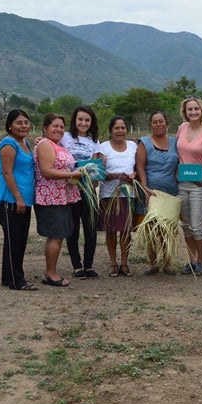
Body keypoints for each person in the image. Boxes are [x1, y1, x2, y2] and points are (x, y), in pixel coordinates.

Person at [34, 113, 83, 287]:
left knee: (58, 235)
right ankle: (51, 274)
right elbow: (46, 171)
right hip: (51, 198)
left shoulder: (56, 145)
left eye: (62, 127)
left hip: (61, 197)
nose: (59, 129)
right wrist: (72, 174)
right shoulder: (46, 145)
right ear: (45, 128)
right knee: (55, 236)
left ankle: (51, 271)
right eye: (55, 126)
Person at [0, 110, 37, 291]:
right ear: (10, 125)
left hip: (24, 200)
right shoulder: (9, 144)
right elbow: (7, 172)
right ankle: (16, 280)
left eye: (26, 122)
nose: (23, 126)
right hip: (10, 199)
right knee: (14, 240)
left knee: (19, 239)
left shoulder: (25, 143)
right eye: (19, 123)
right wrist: (18, 197)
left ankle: (8, 276)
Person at [59, 105, 103, 279]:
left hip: (89, 191)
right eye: (80, 119)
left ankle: (89, 265)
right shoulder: (65, 137)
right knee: (73, 229)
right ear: (74, 120)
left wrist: (93, 183)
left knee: (90, 229)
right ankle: (77, 266)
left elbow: (95, 167)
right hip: (70, 189)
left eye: (87, 120)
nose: (83, 123)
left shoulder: (94, 142)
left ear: (91, 122)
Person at [176, 96, 202, 275]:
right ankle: (192, 260)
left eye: (196, 109)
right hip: (182, 183)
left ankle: (201, 261)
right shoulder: (182, 128)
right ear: (185, 112)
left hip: (199, 184)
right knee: (185, 224)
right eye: (189, 109)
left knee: (196, 225)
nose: (193, 112)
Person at [136, 111, 179, 275]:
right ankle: (153, 263)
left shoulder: (175, 142)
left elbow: (181, 166)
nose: (158, 124)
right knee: (150, 228)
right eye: (155, 122)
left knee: (168, 228)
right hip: (150, 192)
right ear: (150, 125)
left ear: (167, 124)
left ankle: (167, 263)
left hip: (170, 192)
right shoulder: (144, 143)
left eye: (161, 121)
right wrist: (145, 187)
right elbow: (140, 167)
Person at [98, 116, 138, 278]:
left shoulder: (133, 146)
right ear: (111, 130)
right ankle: (113, 263)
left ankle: (124, 263)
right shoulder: (103, 147)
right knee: (111, 230)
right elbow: (100, 172)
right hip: (109, 194)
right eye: (117, 128)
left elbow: (138, 167)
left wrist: (133, 174)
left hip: (128, 194)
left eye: (123, 128)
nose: (120, 131)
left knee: (126, 230)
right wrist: (115, 175)